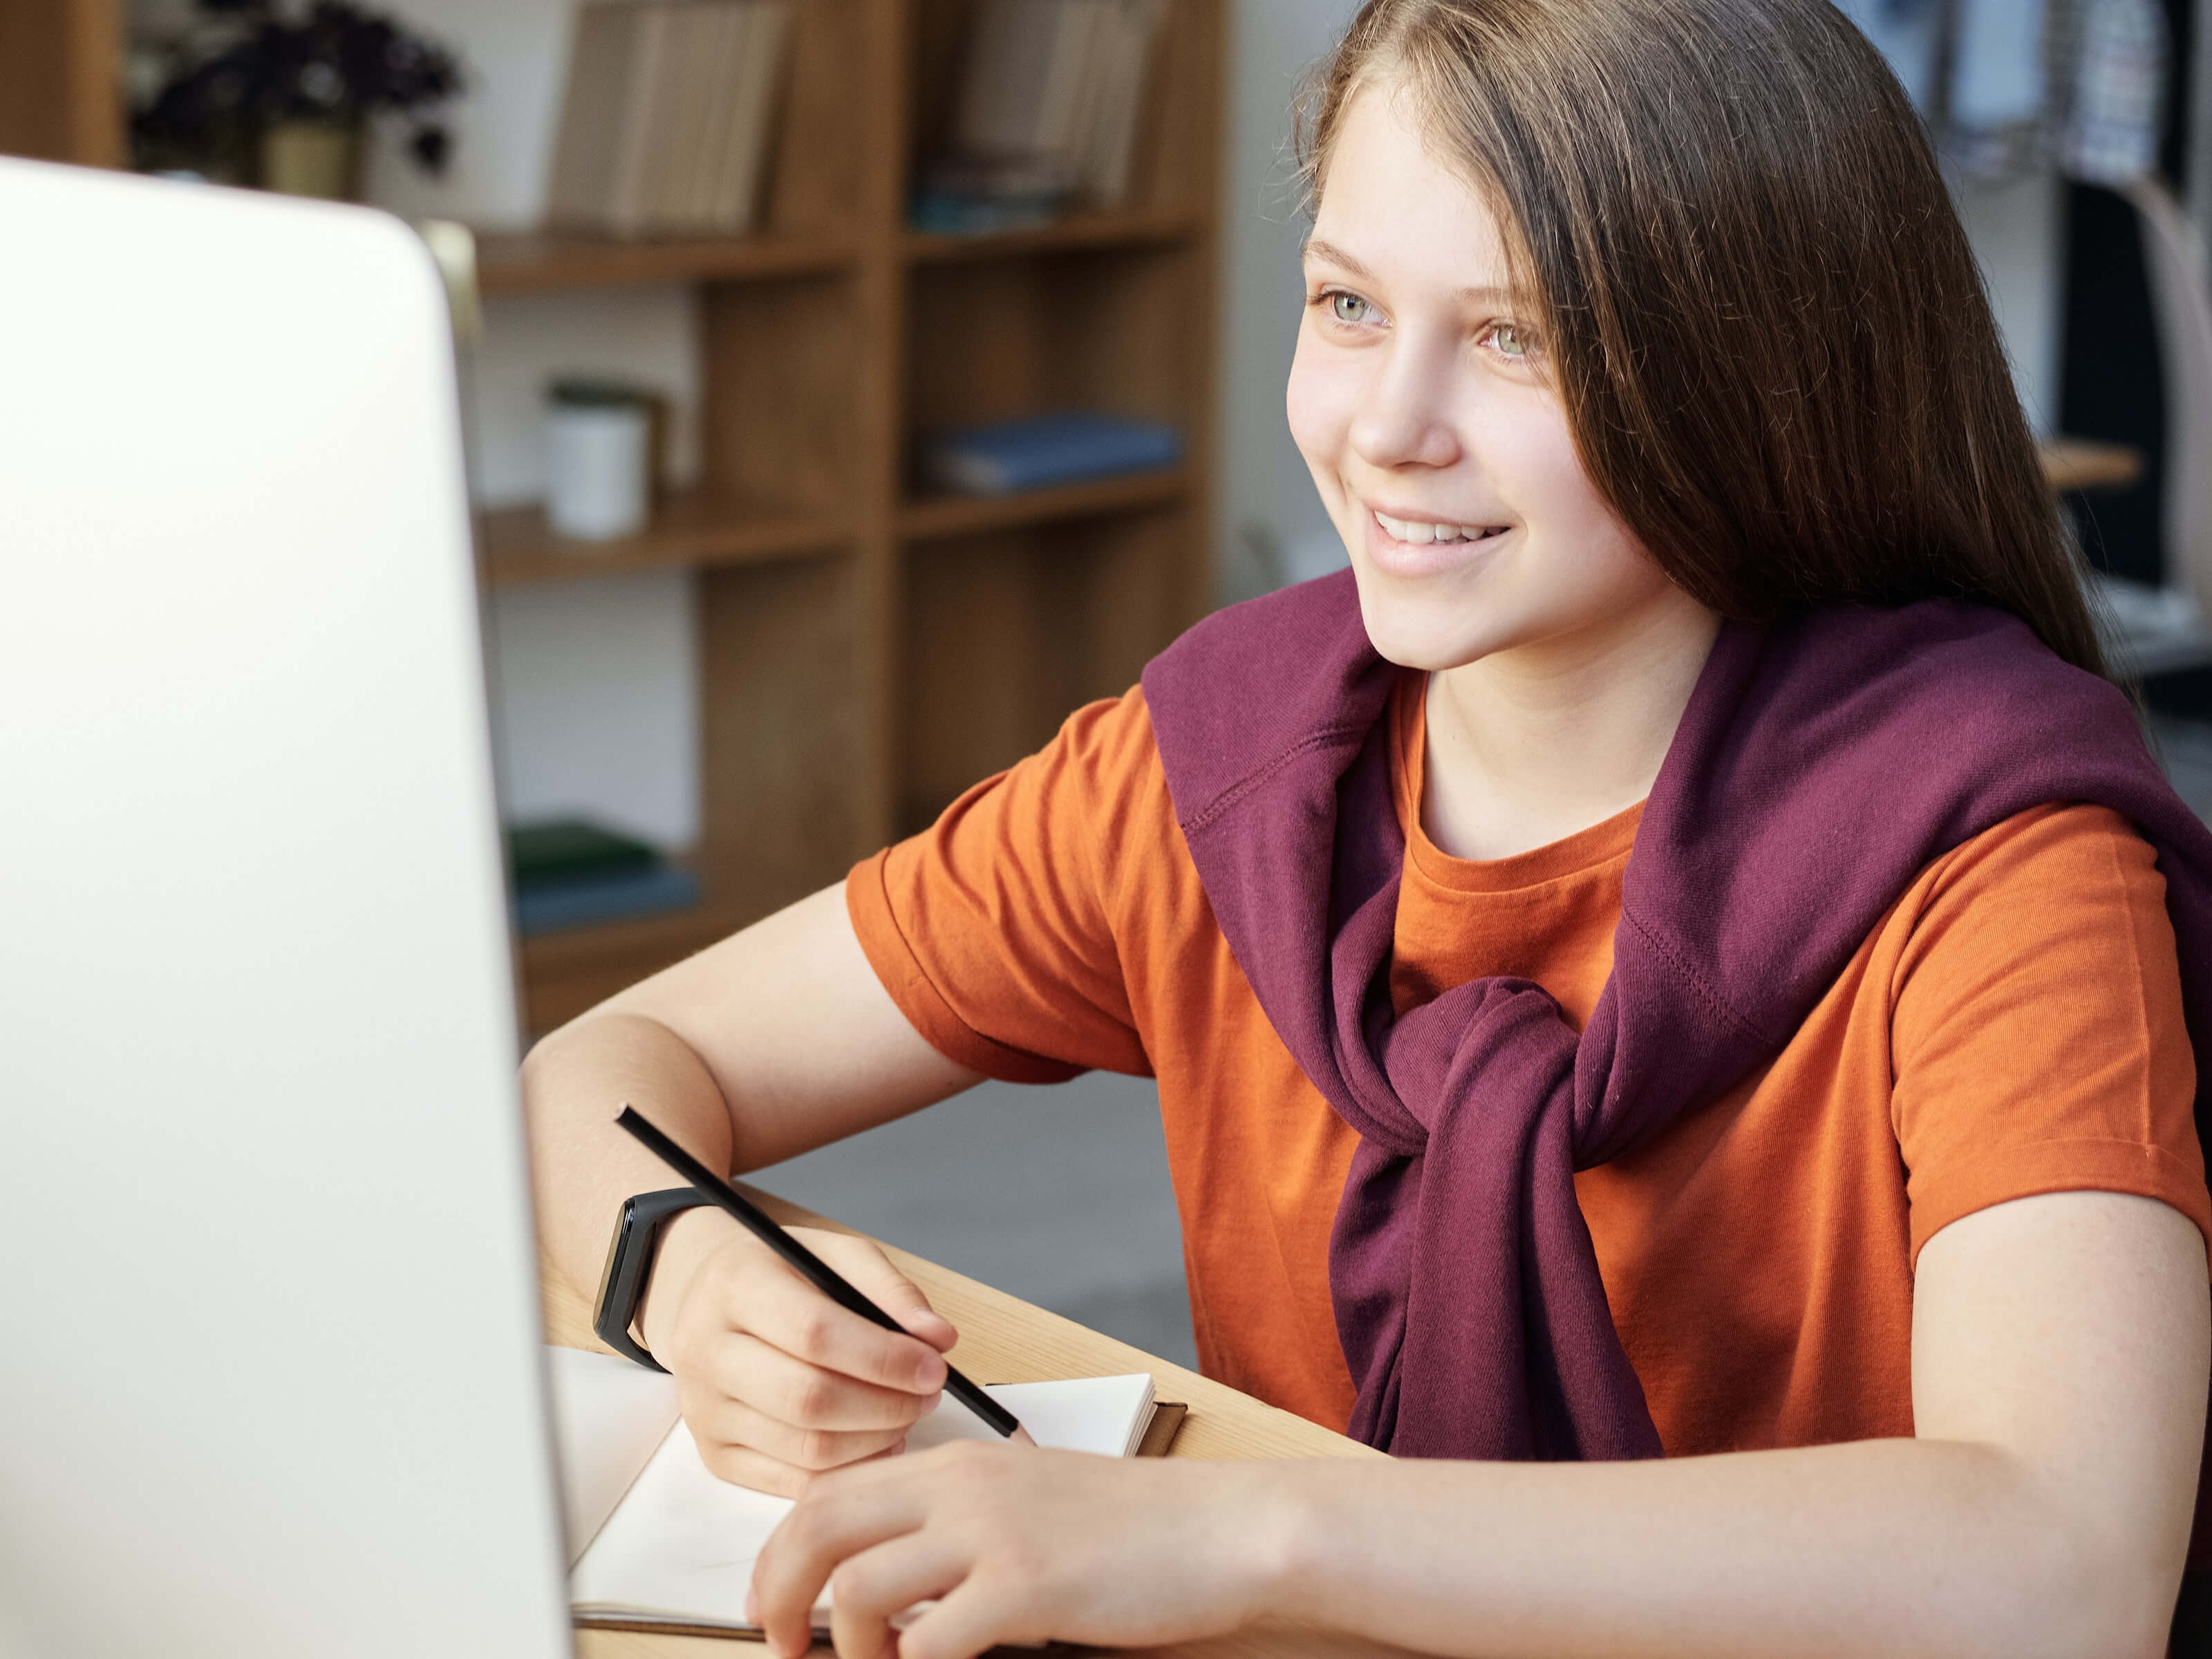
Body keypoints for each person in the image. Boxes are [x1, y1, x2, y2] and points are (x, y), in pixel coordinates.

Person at [521, 1, 2212, 1653]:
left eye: (1514, 335)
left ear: (1751, 369)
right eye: (1345, 304)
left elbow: (2061, 1565)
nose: (1386, 429)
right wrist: (682, 1270)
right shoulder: (1222, 774)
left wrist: (1253, 1535)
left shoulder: (2005, 870)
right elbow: (609, 1063)